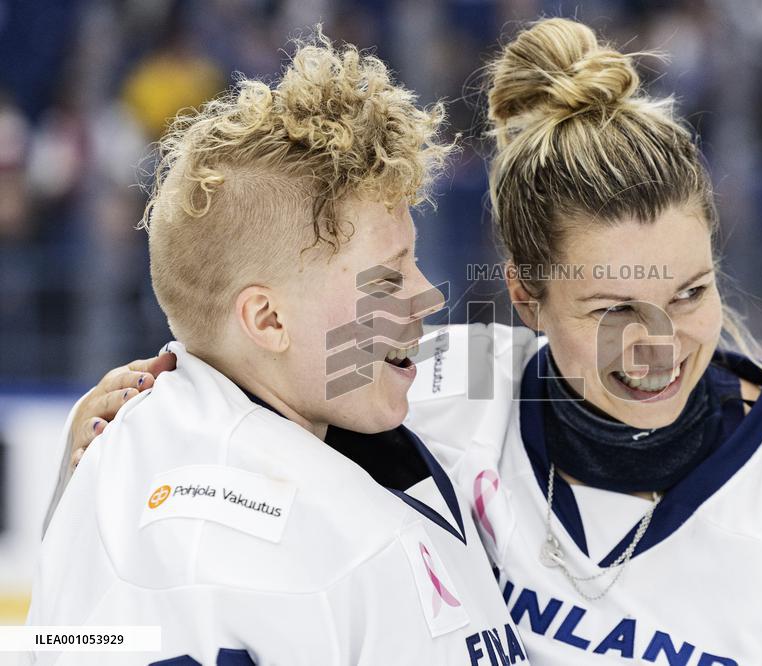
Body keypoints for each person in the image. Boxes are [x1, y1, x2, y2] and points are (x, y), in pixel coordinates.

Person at [54, 18, 762, 666]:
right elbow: (262, 369)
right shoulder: (442, 391)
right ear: (525, 296)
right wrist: (131, 433)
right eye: (610, 308)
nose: (659, 344)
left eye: (690, 293)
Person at [28, 32, 528, 665]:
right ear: (267, 320)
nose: (428, 295)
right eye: (388, 277)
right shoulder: (335, 552)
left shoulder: (114, 455)